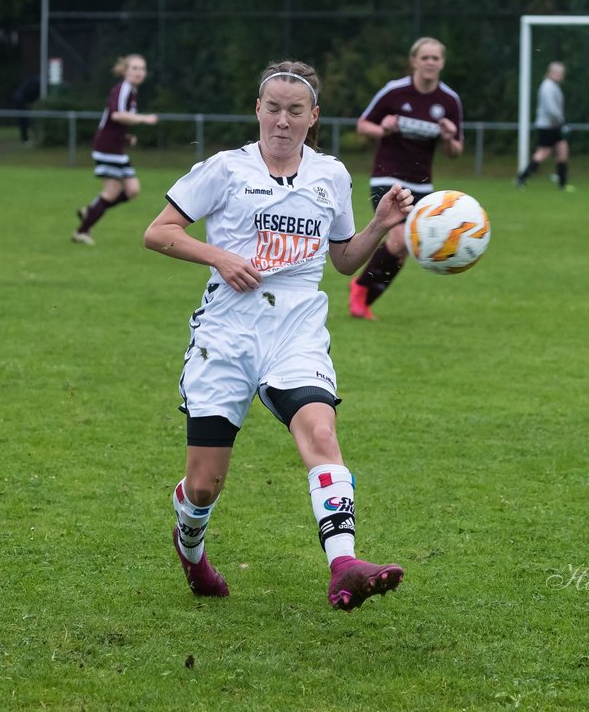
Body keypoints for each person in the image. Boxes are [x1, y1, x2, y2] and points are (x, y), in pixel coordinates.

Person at [142, 60, 414, 611]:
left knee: (320, 432)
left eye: (295, 111)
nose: (282, 121)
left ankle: (344, 565)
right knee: (203, 486)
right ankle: (190, 547)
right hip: (226, 333)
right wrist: (220, 256)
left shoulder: (331, 175)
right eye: (273, 108)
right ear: (258, 111)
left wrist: (379, 227)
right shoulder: (224, 169)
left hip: (296, 328)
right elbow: (158, 232)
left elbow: (341, 260)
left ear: (312, 117)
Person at [349, 37, 463, 320]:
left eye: (435, 58)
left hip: (423, 184)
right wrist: (383, 129)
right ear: (414, 61)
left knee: (405, 249)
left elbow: (456, 151)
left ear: (442, 63)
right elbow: (362, 125)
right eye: (425, 57)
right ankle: (360, 291)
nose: (430, 63)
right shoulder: (395, 92)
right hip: (387, 178)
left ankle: (364, 298)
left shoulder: (449, 101)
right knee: (399, 239)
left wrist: (449, 137)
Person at [72, 54, 158, 246]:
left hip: (115, 147)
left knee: (133, 189)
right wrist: (144, 119)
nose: (139, 72)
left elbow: (115, 121)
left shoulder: (131, 91)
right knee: (111, 192)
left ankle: (91, 210)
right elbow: (117, 115)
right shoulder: (123, 88)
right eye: (134, 68)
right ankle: (82, 230)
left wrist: (126, 137)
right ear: (125, 71)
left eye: (142, 69)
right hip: (107, 148)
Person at [516, 61, 574, 192]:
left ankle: (562, 184)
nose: (561, 75)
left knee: (562, 149)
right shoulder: (548, 86)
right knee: (543, 153)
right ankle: (522, 177)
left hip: (553, 125)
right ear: (551, 73)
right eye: (558, 73)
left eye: (561, 73)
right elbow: (550, 108)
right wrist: (561, 120)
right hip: (548, 126)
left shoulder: (553, 86)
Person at [11, 74, 41, 145]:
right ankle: (25, 139)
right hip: (21, 102)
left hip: (21, 101)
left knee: (26, 121)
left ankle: (27, 138)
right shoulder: (36, 82)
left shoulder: (35, 81)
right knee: (24, 121)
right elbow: (31, 93)